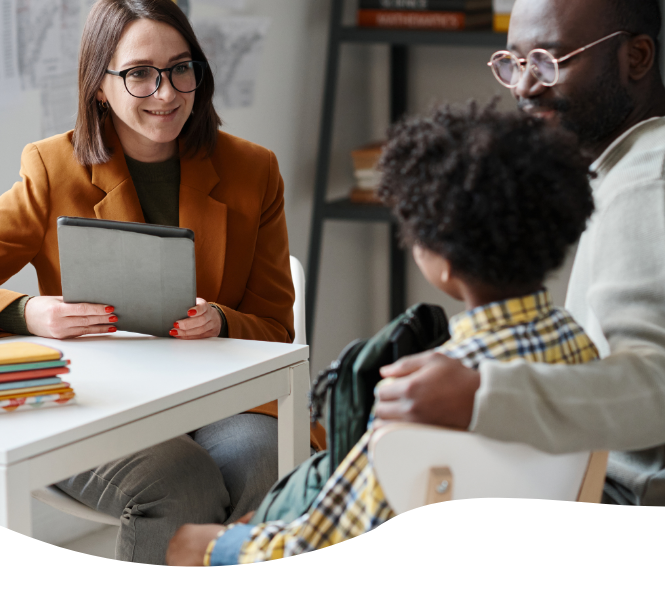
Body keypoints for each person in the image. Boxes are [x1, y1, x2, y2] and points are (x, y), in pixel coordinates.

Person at [0, 0, 325, 570]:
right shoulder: (53, 169)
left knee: (263, 462)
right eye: (140, 74)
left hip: (225, 404)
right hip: (99, 403)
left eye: (179, 70)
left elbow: (274, 328)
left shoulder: (252, 170)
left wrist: (221, 320)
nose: (166, 93)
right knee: (177, 480)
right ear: (100, 84)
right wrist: (28, 314)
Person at [370, 0, 665, 507]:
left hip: (641, 506)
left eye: (551, 60)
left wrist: (480, 394)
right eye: (515, 62)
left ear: (637, 57)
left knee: (390, 491)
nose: (525, 87)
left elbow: (662, 391)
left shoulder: (651, 192)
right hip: (641, 479)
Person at [166, 100, 602, 570]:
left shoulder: (423, 396)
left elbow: (320, 557)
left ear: (443, 262)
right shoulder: (581, 349)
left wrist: (217, 548)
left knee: (197, 545)